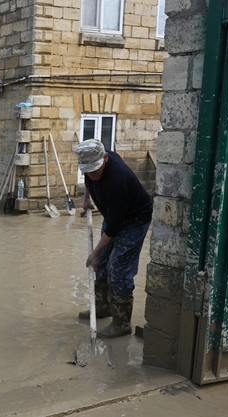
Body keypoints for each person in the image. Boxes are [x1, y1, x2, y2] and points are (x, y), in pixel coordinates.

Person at [76, 139, 152, 338]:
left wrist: (95, 252)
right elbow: (89, 177)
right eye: (88, 170)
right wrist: (86, 198)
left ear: (106, 159)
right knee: (100, 264)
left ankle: (121, 322)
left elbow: (114, 227)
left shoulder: (118, 179)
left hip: (134, 219)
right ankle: (102, 307)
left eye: (95, 170)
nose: (92, 174)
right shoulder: (93, 161)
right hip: (114, 215)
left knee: (118, 268)